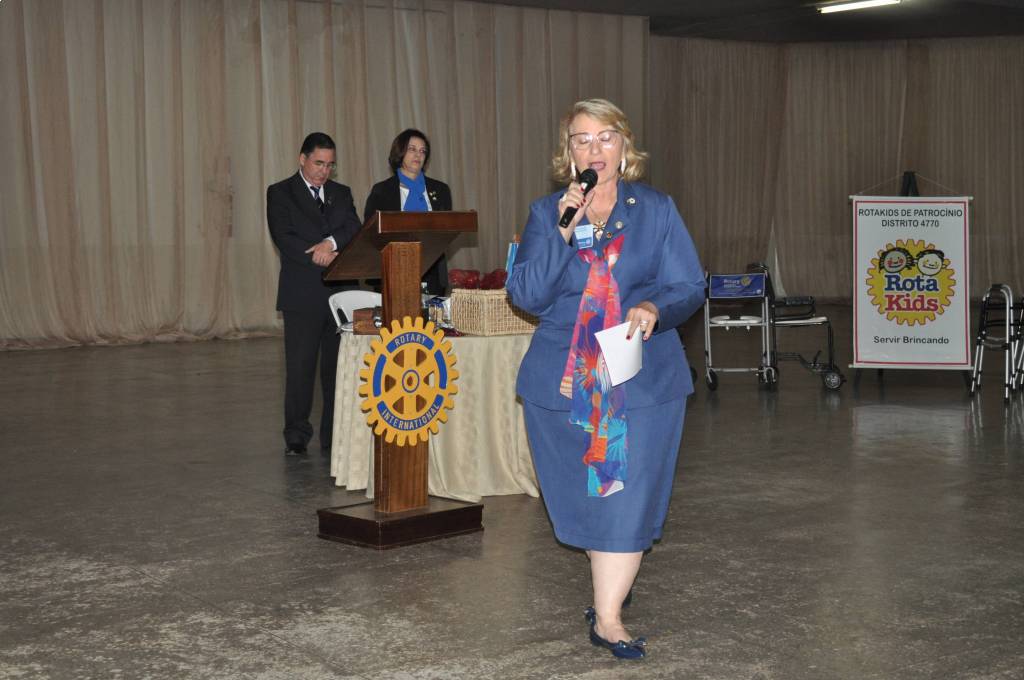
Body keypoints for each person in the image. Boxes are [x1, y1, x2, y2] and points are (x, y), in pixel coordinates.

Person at [506, 99, 705, 659]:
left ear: (624, 145)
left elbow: (689, 285)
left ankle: (609, 617)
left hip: (641, 379)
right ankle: (611, 582)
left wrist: (654, 308)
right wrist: (562, 231)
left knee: (626, 494)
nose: (594, 149)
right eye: (581, 139)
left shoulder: (657, 210)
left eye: (605, 137)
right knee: (586, 496)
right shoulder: (547, 213)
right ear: (568, 152)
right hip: (563, 378)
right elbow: (527, 294)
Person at [267, 132, 362, 455]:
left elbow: (353, 228)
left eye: (330, 165)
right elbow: (284, 237)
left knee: (337, 370)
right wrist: (318, 256)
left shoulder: (341, 193)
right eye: (319, 163)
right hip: (301, 293)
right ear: (302, 159)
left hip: (339, 294)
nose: (324, 171)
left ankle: (333, 435)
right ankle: (296, 434)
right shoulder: (280, 192)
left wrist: (330, 244)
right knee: (300, 368)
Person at [363, 129, 453, 295]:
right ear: (400, 152)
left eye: (422, 151)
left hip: (432, 273)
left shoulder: (441, 190)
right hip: (393, 272)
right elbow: (371, 233)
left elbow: (447, 231)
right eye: (412, 149)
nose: (418, 155)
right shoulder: (382, 191)